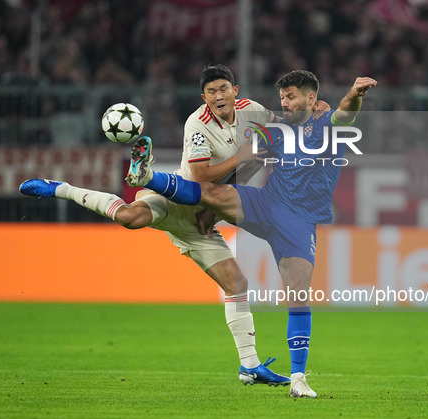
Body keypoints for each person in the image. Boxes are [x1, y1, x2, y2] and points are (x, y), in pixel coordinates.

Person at [20, 65, 329, 388]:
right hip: (180, 199)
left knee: (236, 283)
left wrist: (314, 111)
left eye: (223, 88)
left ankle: (250, 366)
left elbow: (285, 134)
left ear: (235, 91)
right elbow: (202, 179)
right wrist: (242, 156)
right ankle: (64, 188)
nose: (218, 96)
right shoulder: (197, 124)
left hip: (204, 218)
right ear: (203, 97)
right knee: (130, 217)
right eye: (211, 91)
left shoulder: (253, 112)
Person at [125, 70, 378, 398]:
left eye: (292, 97)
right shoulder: (275, 129)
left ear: (311, 99)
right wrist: (214, 207)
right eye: (283, 97)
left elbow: (346, 112)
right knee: (212, 192)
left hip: (299, 223)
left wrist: (355, 93)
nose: (285, 103)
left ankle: (299, 378)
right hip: (266, 203)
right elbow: (243, 167)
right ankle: (147, 176)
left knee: (298, 294)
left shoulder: (326, 122)